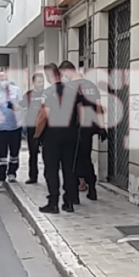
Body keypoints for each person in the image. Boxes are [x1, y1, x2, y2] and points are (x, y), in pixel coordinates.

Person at [34, 63, 83, 214]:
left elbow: (43, 117)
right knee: (69, 169)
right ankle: (69, 202)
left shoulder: (48, 93)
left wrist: (36, 135)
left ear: (48, 76)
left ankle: (53, 202)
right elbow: (81, 115)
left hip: (52, 137)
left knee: (51, 170)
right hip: (70, 136)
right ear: (59, 74)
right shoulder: (73, 91)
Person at [59, 61, 106, 201]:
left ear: (67, 71)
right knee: (86, 158)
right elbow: (99, 108)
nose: (63, 77)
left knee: (72, 160)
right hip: (89, 127)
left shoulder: (70, 87)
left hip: (75, 128)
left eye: (62, 74)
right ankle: (91, 187)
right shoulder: (91, 86)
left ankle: (74, 193)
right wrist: (102, 127)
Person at [0, 71, 23, 188]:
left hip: (15, 127)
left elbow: (21, 106)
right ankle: (1, 178)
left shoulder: (16, 90)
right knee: (2, 155)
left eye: (5, 78)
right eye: (1, 79)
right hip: (1, 129)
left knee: (14, 153)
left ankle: (12, 173)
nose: (4, 81)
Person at [19, 73, 45, 184]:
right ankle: (33, 176)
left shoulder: (47, 94)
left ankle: (49, 176)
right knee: (33, 153)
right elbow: (20, 105)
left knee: (47, 154)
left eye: (42, 81)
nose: (41, 84)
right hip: (32, 127)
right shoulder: (29, 95)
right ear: (33, 83)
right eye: (39, 82)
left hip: (45, 127)